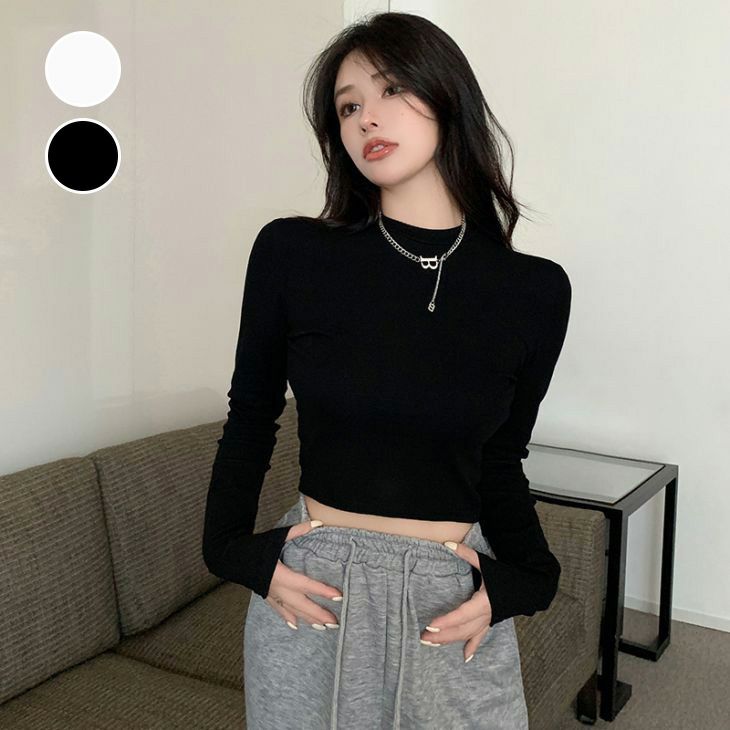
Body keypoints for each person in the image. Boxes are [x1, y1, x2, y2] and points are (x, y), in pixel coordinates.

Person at [202, 11, 572, 730]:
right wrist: (231, 553)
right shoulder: (293, 254)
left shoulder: (533, 291)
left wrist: (529, 580)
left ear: (448, 97)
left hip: (447, 593)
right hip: (315, 583)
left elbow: (500, 458)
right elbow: (250, 419)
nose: (367, 117)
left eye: (393, 88)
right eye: (348, 107)